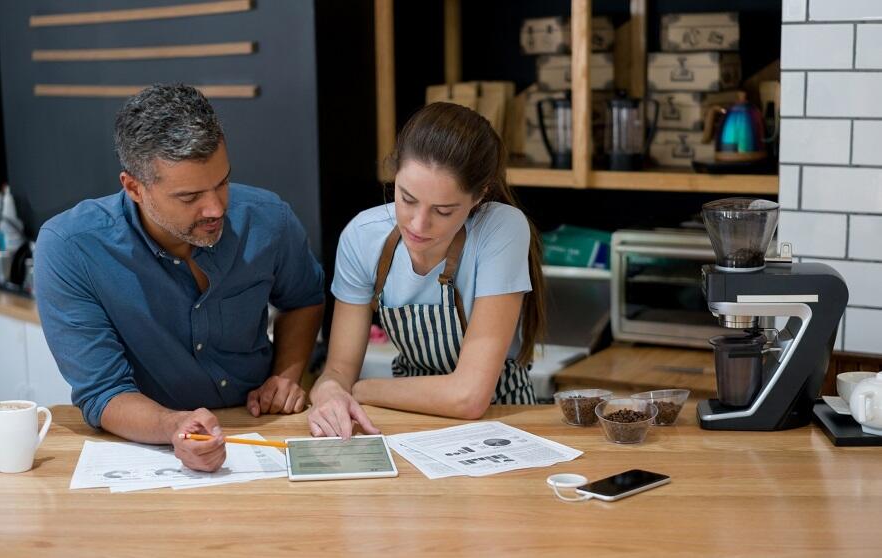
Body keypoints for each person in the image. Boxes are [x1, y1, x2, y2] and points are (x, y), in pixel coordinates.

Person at [34, 84, 325, 471]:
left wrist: (286, 375)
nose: (216, 208)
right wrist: (173, 427)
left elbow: (304, 298)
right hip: (147, 447)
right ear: (134, 187)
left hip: (263, 431)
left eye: (222, 183)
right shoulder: (71, 248)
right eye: (189, 198)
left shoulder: (269, 218)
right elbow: (103, 392)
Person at [308, 102, 545, 439]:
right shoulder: (362, 237)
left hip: (501, 418)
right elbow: (337, 370)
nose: (418, 224)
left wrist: (358, 391)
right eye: (406, 199)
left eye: (444, 211)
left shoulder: (501, 228)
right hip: (405, 420)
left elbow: (469, 397)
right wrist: (330, 392)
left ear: (480, 196)